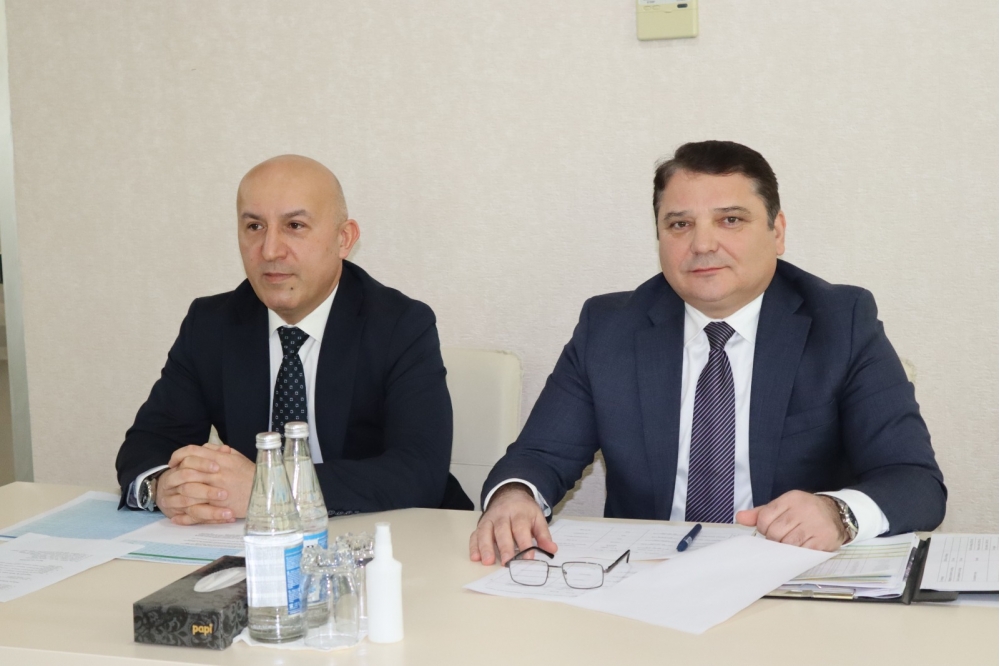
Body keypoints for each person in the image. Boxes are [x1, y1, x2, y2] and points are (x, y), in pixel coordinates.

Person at [470, 140, 945, 565]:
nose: (702, 244)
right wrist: (515, 497)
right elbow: (540, 454)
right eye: (680, 224)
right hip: (647, 581)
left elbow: (914, 480)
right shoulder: (610, 328)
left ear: (777, 231)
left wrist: (839, 513)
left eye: (730, 220)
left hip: (789, 577)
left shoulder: (841, 322)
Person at [117, 155, 471, 524]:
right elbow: (148, 444)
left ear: (344, 239)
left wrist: (271, 487)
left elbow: (418, 471)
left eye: (295, 225)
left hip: (389, 537)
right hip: (252, 542)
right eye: (255, 226)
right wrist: (163, 486)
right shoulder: (211, 324)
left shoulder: (400, 325)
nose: (270, 250)